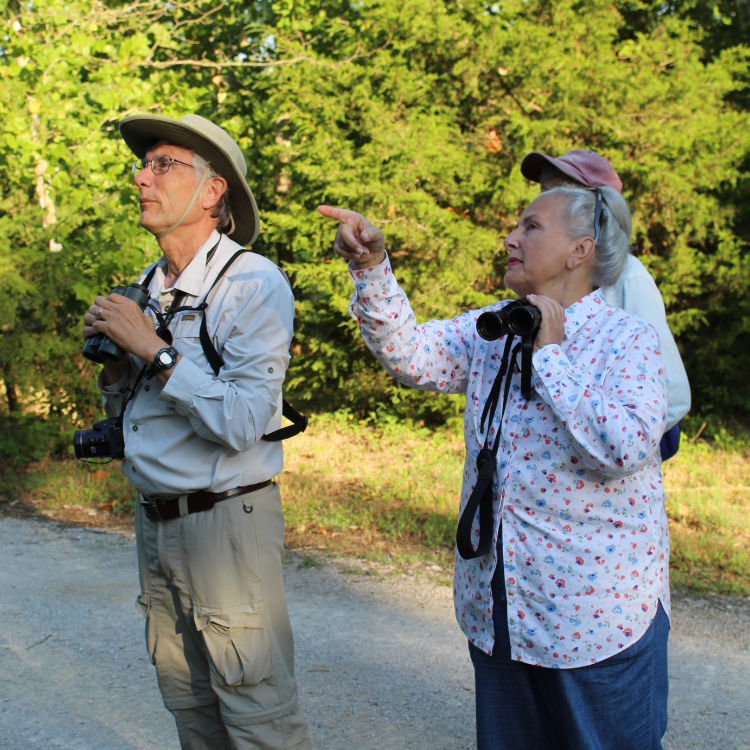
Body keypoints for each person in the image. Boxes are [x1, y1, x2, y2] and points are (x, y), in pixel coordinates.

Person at [319, 184, 671, 749]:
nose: (510, 238)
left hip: (595, 623)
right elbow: (411, 355)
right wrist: (372, 265)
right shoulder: (496, 328)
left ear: (580, 251)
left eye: (531, 227)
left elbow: (624, 447)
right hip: (501, 611)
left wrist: (550, 357)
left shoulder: (626, 340)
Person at [82, 113, 312, 750]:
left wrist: (152, 350)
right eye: (143, 164)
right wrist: (118, 361)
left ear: (214, 192)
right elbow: (138, 405)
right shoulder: (151, 285)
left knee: (257, 711)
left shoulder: (252, 283)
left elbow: (242, 422)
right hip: (155, 521)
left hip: (226, 522)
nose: (141, 177)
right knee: (189, 705)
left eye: (163, 165)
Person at [521, 148, 690, 458]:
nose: (544, 202)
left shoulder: (628, 277)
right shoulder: (545, 274)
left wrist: (615, 448)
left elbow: (673, 393)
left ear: (598, 208)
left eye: (559, 192)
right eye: (544, 191)